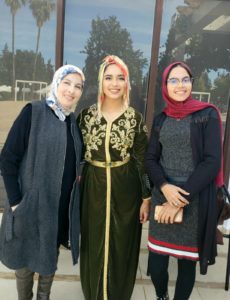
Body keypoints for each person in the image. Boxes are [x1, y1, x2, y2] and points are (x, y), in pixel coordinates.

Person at [0, 64, 85, 300]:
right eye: (67, 82)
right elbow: (7, 159)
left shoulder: (72, 123)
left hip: (56, 209)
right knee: (25, 262)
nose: (71, 90)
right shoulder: (33, 112)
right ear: (56, 83)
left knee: (49, 259)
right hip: (29, 205)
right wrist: (17, 201)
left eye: (78, 86)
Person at [145, 61, 224, 300]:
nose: (180, 85)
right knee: (157, 265)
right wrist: (165, 187)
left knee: (186, 265)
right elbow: (150, 158)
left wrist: (180, 199)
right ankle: (161, 296)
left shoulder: (207, 114)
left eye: (185, 79)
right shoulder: (161, 119)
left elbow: (212, 162)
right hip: (163, 194)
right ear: (165, 86)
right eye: (174, 80)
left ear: (192, 83)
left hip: (194, 197)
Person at [78, 55, 151, 300]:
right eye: (108, 77)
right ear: (100, 81)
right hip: (93, 189)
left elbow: (142, 159)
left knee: (122, 246)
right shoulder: (85, 117)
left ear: (127, 83)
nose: (115, 83)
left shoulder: (135, 119)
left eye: (121, 78)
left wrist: (146, 197)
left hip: (126, 190)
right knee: (93, 243)